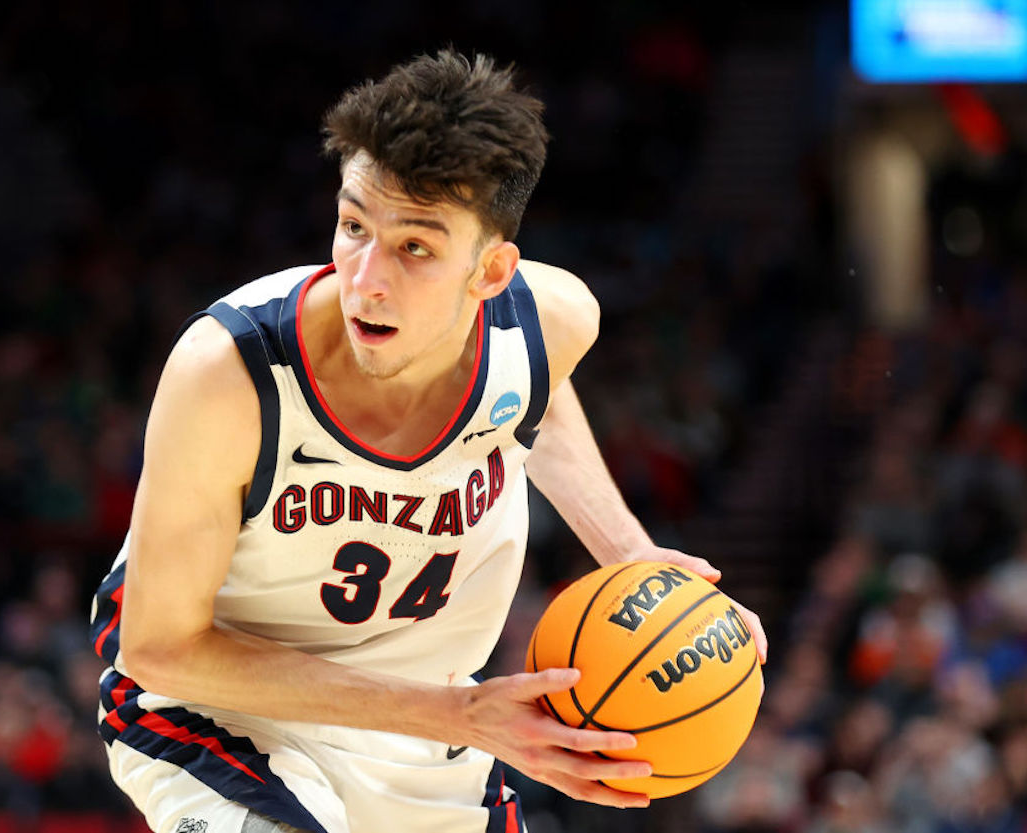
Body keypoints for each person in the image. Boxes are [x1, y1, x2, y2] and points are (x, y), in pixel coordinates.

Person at [87, 50, 767, 833]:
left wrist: (630, 551)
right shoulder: (229, 375)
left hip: (426, 732)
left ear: (491, 272)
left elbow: (533, 389)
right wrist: (462, 713)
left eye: (415, 246)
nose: (366, 278)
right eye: (353, 225)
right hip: (223, 712)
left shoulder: (551, 320)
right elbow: (161, 651)